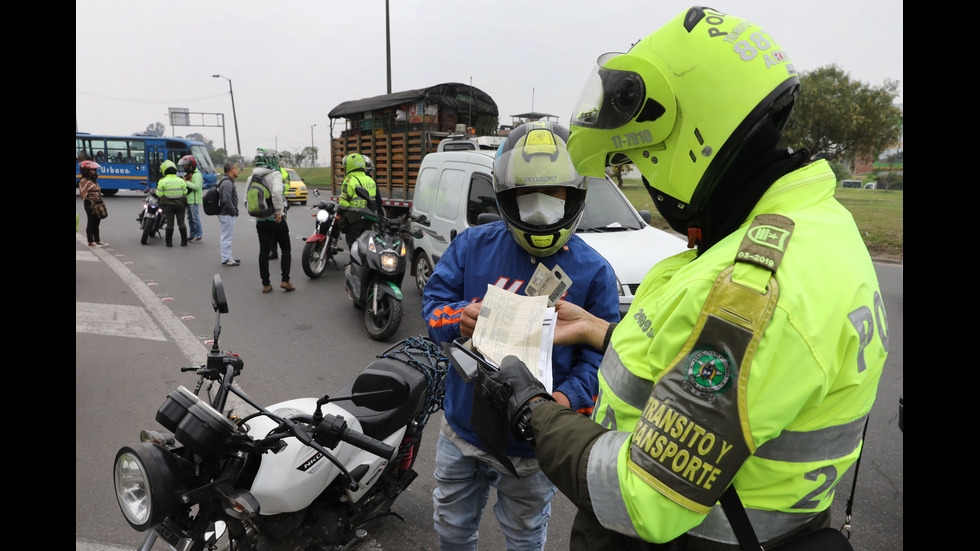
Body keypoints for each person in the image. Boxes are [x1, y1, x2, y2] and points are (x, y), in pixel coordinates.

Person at [478, 7, 888, 550]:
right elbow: (715, 364)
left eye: (647, 159)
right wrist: (600, 331)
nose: (647, 176)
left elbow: (640, 498)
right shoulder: (817, 226)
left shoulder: (755, 292)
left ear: (697, 139)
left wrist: (533, 410)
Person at [422, 121, 620, 550]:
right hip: (462, 429)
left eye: (554, 198)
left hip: (534, 446)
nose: (540, 212)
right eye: (527, 200)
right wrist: (461, 318)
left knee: (526, 537)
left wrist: (561, 404)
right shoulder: (471, 247)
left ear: (576, 195)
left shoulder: (594, 272)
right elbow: (432, 308)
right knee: (452, 529)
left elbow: (602, 360)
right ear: (505, 197)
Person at [250, 147, 294, 292]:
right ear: (271, 159)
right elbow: (276, 193)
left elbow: (247, 200)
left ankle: (266, 284)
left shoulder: (252, 176)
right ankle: (285, 280)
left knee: (263, 251)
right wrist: (278, 212)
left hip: (260, 220)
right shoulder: (275, 174)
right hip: (275, 219)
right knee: (286, 248)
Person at [337, 152, 379, 250]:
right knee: (366, 243)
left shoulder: (350, 180)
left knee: (353, 244)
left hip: (354, 218)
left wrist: (339, 210)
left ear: (350, 166)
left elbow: (344, 203)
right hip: (368, 217)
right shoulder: (370, 180)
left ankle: (353, 264)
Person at [156, 159, 189, 247]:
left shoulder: (162, 181)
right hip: (180, 206)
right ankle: (184, 242)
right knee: (181, 223)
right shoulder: (181, 180)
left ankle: (169, 243)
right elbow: (185, 192)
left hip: (168, 206)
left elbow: (159, 194)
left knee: (170, 224)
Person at [78, 160, 108, 247]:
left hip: (97, 203)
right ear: (86, 171)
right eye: (93, 170)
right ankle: (90, 242)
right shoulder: (84, 181)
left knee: (97, 221)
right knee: (91, 221)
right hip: (90, 204)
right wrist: (91, 202)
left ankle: (97, 240)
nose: (95, 172)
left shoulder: (92, 180)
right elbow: (83, 195)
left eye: (95, 170)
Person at [217, 162, 240, 266]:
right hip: (227, 213)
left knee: (226, 236)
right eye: (236, 169)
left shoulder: (227, 181)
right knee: (226, 237)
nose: (237, 171)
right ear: (231, 170)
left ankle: (228, 256)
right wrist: (233, 211)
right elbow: (226, 199)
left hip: (226, 213)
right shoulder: (227, 182)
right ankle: (226, 258)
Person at [178, 155, 204, 243]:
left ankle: (199, 234)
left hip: (194, 200)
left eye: (186, 165)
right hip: (188, 199)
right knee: (189, 218)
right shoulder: (189, 174)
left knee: (195, 218)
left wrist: (186, 182)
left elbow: (196, 187)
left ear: (191, 165)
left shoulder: (197, 175)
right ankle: (192, 234)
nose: (184, 167)